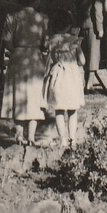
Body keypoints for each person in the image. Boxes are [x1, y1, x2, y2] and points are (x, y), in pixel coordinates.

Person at [0, 0, 49, 146]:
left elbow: (7, 40)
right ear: (36, 1)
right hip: (35, 58)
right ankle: (32, 137)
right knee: (35, 95)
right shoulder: (42, 18)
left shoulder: (12, 17)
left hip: (18, 57)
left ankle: (19, 135)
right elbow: (45, 43)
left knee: (18, 94)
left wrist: (16, 50)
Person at [43, 10, 86, 147]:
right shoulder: (74, 41)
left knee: (59, 110)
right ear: (69, 25)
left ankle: (62, 140)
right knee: (72, 110)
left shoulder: (52, 41)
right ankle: (72, 139)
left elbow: (49, 60)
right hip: (72, 78)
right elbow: (82, 61)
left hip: (58, 78)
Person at [74, 0, 107, 91]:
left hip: (81, 23)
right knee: (94, 53)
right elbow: (97, 8)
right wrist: (100, 27)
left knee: (85, 53)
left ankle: (86, 81)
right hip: (93, 23)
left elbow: (75, 5)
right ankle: (89, 84)